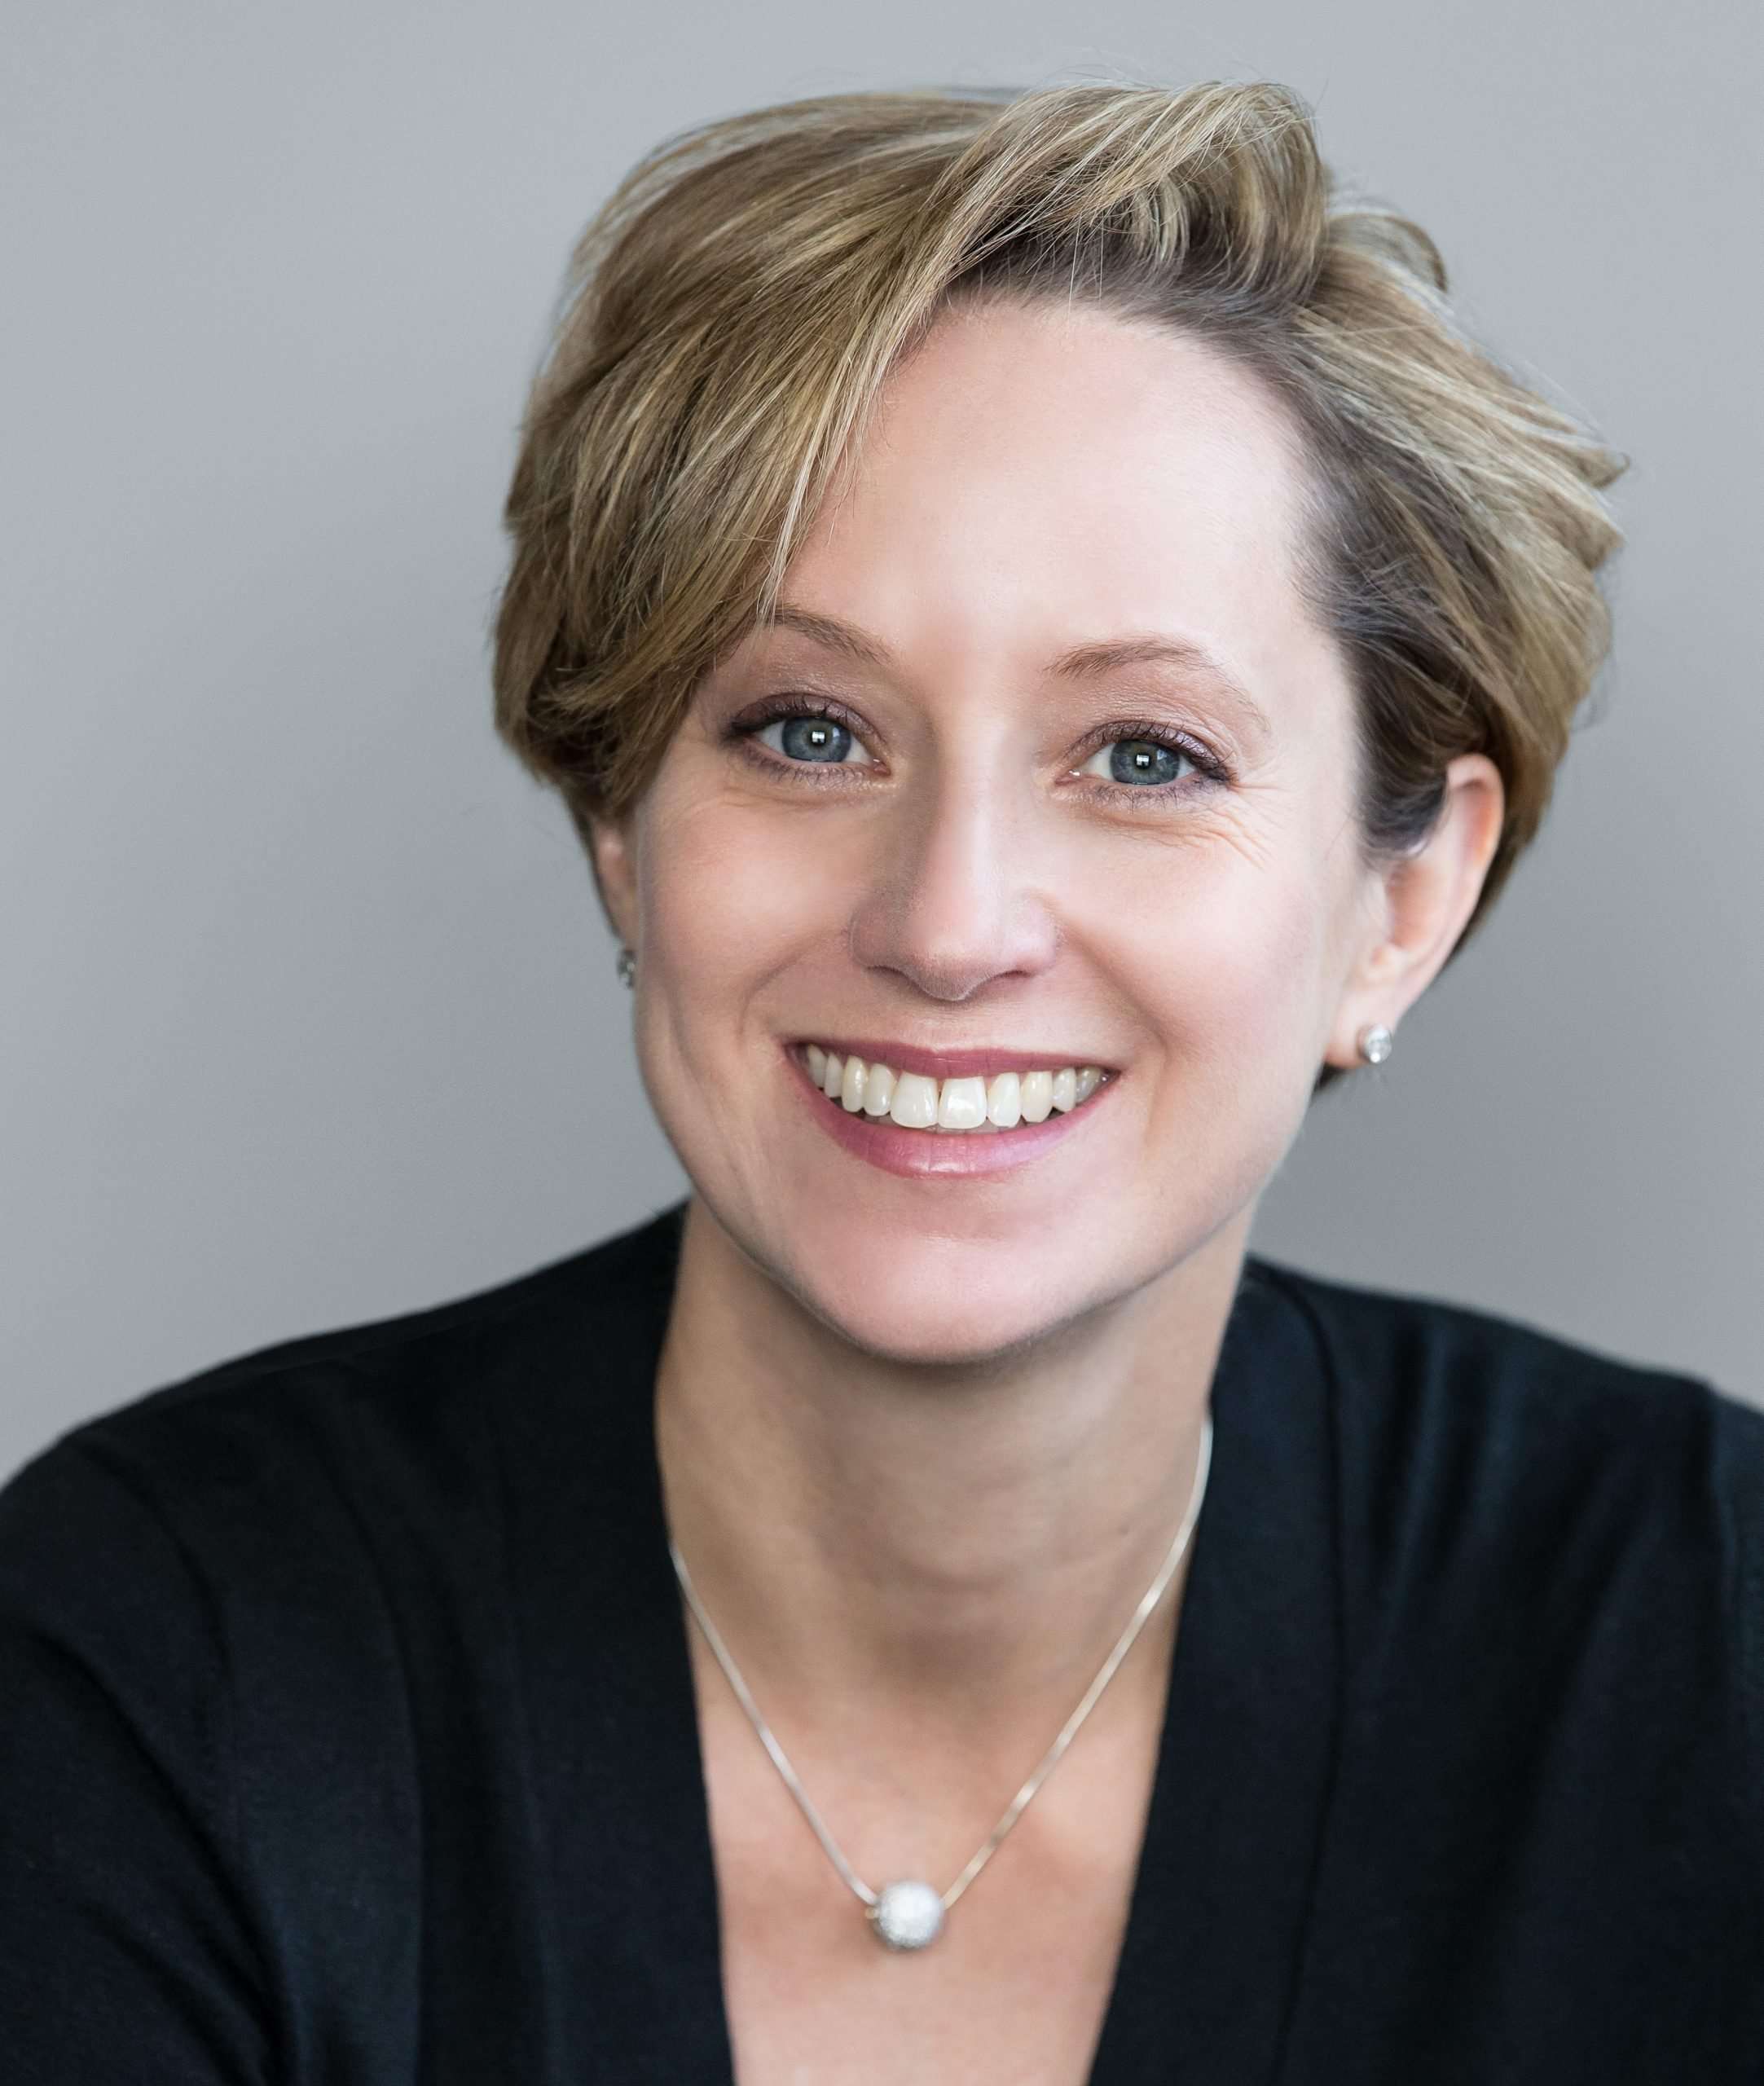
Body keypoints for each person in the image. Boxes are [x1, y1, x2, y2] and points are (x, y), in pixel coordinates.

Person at [2, 76, 1759, 2086]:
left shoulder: (1708, 1643)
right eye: (809, 730)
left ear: (1402, 901)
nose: (948, 920)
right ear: (623, 832)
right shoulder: (163, 1655)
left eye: (1147, 755)